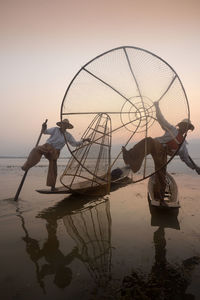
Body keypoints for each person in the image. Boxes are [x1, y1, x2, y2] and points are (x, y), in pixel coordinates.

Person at [122, 101, 200, 202]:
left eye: (187, 127)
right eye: (183, 125)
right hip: (156, 145)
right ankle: (131, 158)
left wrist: (195, 167)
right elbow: (161, 119)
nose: (184, 128)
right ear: (180, 126)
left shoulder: (183, 145)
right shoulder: (172, 129)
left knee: (161, 174)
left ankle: (159, 198)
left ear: (187, 129)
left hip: (162, 155)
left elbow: (186, 159)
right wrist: (157, 106)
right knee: (149, 140)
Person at [22, 119, 90, 191]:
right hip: (47, 146)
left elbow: (75, 144)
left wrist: (84, 140)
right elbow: (44, 132)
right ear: (60, 125)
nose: (64, 126)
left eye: (66, 125)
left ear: (67, 126)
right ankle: (26, 166)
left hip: (55, 152)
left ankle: (52, 186)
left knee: (53, 168)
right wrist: (44, 127)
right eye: (63, 124)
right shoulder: (55, 129)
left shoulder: (68, 135)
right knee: (36, 150)